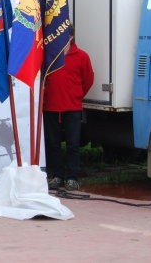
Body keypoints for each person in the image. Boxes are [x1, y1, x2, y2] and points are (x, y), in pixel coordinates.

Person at [43, 24, 94, 191]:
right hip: (51, 107)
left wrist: (76, 96)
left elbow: (88, 80)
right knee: (53, 144)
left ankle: (72, 178)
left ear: (71, 36)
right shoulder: (49, 55)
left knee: (73, 144)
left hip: (72, 107)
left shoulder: (82, 56)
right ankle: (56, 176)